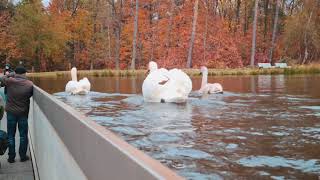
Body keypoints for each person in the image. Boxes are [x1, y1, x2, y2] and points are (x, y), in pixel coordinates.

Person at [0, 65, 33, 163]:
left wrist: (11, 74)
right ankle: (22, 156)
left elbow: (2, 78)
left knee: (11, 135)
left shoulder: (9, 81)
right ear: (24, 74)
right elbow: (30, 94)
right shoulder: (29, 84)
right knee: (23, 135)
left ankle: (11, 157)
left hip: (11, 112)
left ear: (15, 73)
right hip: (23, 113)